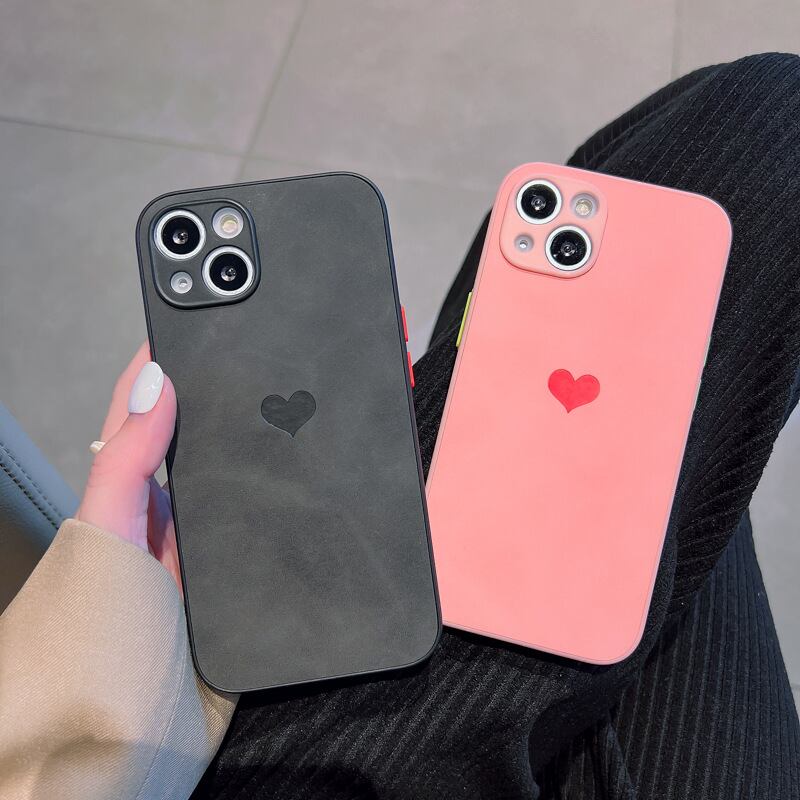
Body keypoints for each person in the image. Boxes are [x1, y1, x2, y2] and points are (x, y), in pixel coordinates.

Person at [1, 52, 799, 800]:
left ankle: (509, 347)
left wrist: (106, 638)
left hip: (160, 748)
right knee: (768, 127)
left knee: (639, 394)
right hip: (282, 765)